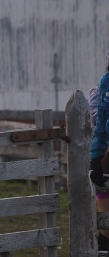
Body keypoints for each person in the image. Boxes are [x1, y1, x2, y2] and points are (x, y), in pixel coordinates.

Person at [89, 50, 109, 251]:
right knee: (106, 226)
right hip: (106, 155)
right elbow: (101, 124)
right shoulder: (105, 83)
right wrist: (95, 158)